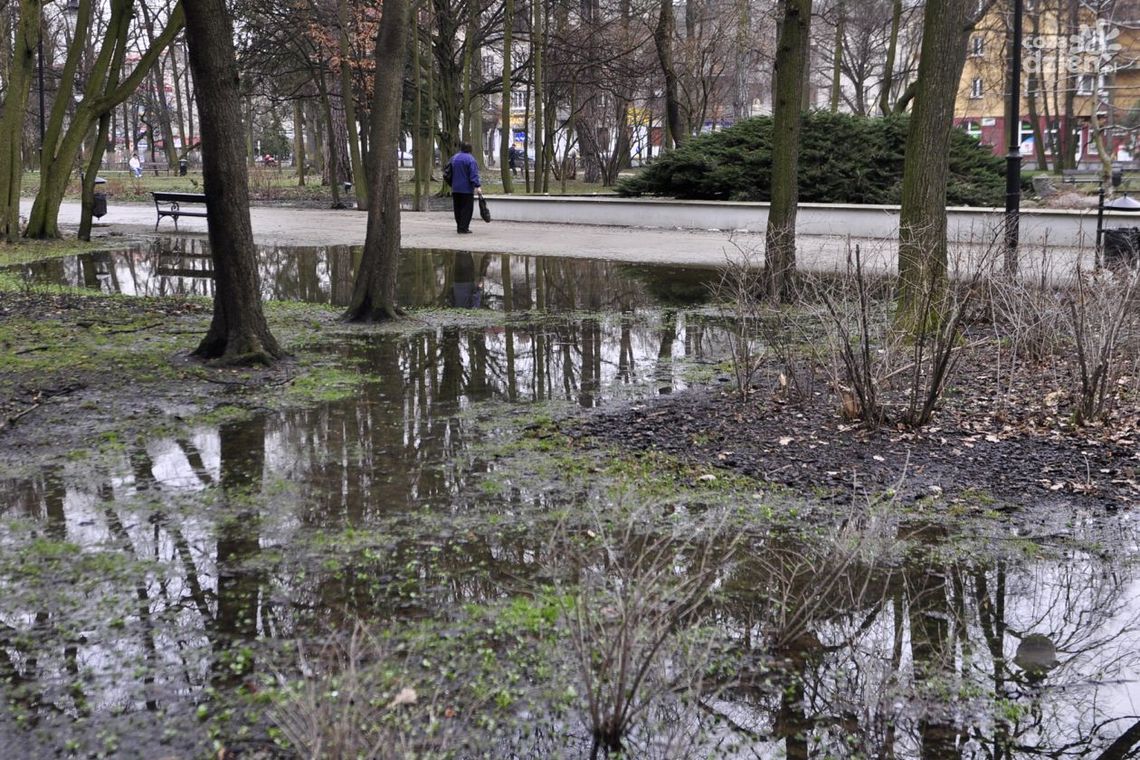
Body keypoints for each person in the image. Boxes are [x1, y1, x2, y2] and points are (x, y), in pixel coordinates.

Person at [448, 142, 482, 234]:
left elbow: (448, 171)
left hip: (455, 188)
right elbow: (473, 174)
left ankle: (459, 226)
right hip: (466, 189)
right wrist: (477, 186)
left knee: (457, 208)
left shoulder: (454, 158)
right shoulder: (471, 159)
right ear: (470, 149)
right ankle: (463, 227)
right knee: (466, 209)